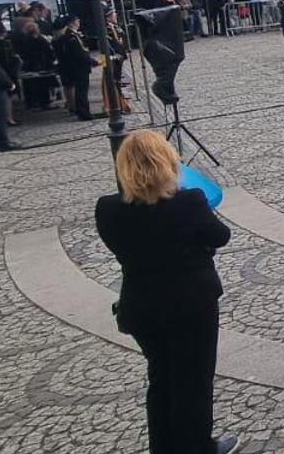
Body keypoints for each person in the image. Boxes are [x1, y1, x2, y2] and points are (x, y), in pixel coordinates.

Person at [94, 130, 239, 454]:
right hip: (190, 304)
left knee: (160, 378)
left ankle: (163, 447)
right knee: (193, 380)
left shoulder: (107, 209)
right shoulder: (188, 202)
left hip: (141, 307)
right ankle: (198, 447)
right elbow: (220, 236)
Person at [54, 16, 96, 121]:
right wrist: (92, 61)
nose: (79, 23)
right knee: (81, 90)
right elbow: (79, 52)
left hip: (80, 66)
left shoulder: (75, 34)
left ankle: (83, 110)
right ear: (71, 23)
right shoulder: (70, 36)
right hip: (78, 67)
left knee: (82, 90)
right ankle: (83, 112)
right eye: (77, 21)